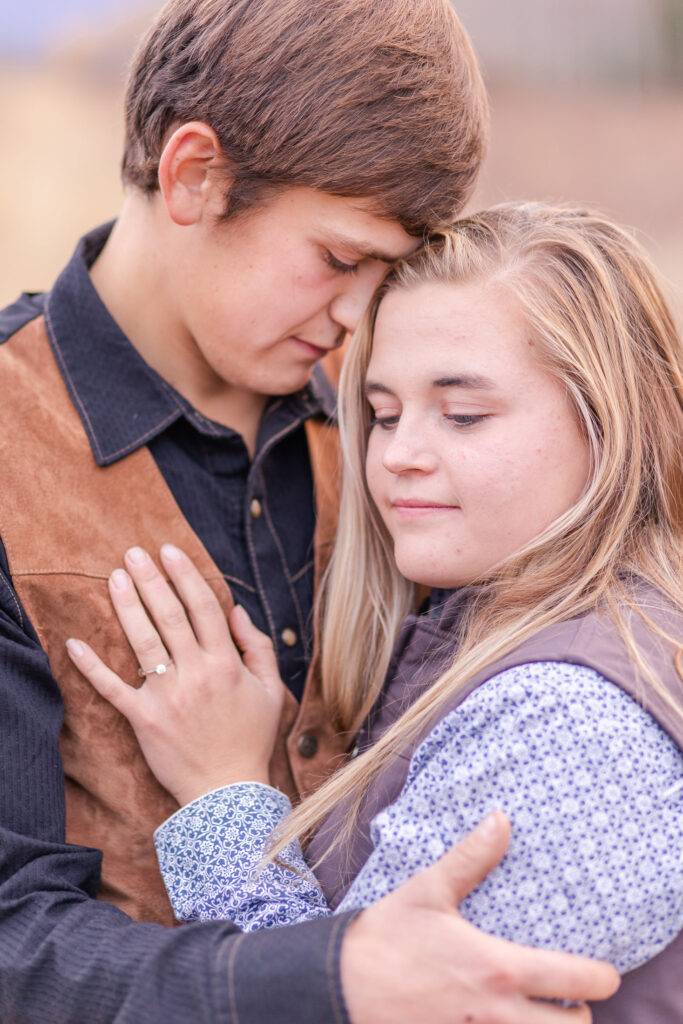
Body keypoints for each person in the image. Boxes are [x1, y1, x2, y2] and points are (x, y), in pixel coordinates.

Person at [0, 0, 618, 1019]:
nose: (357, 316)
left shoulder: (408, 437)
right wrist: (327, 978)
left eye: (392, 271)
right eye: (339, 259)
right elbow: (14, 939)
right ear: (194, 174)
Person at [71, 203, 682, 1023]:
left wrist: (221, 790)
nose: (397, 454)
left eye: (461, 414)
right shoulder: (497, 630)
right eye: (385, 414)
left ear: (608, 423)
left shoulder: (565, 723)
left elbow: (358, 1007)